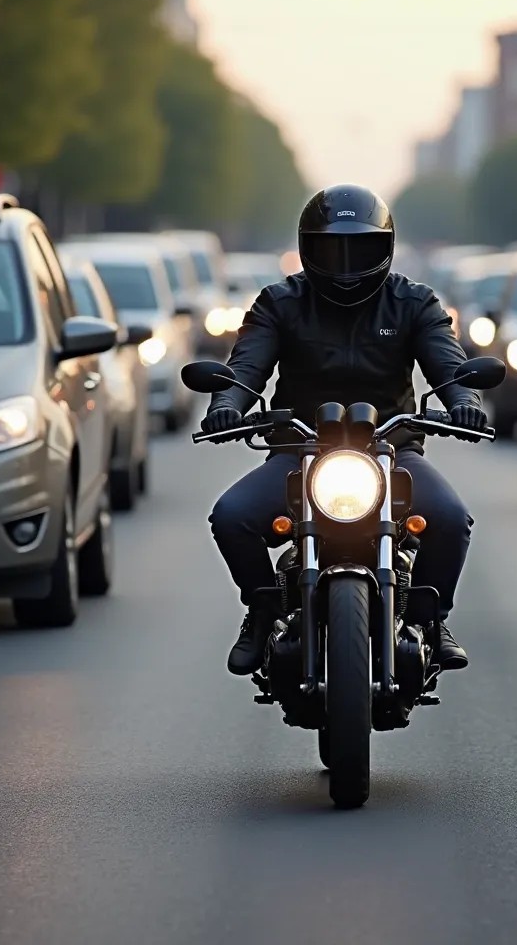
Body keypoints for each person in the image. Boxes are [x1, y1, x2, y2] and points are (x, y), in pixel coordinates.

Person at [203, 184, 490, 677]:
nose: (345, 262)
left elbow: (449, 364)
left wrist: (464, 400)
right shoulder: (279, 302)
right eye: (331, 247)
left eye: (359, 248)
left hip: (392, 454)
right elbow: (245, 367)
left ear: (384, 247)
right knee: (231, 516)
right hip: (299, 452)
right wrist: (227, 402)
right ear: (307, 247)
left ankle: (430, 618)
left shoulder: (414, 302)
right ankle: (263, 610)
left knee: (451, 517)